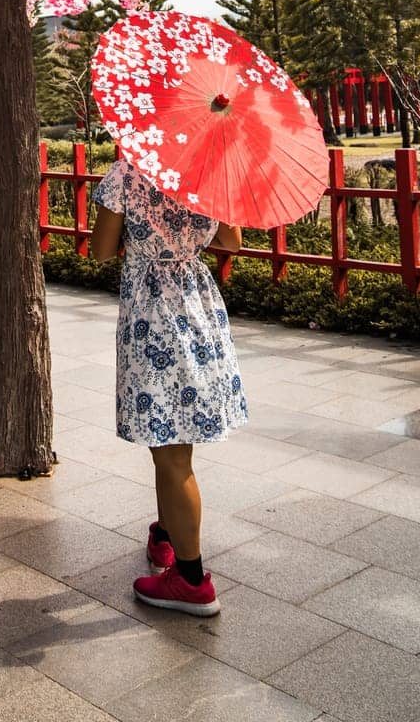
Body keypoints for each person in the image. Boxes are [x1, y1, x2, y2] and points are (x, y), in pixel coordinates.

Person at [89, 153, 248, 615]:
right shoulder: (207, 170)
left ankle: (193, 579)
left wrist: (141, 235)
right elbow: (232, 241)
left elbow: (100, 250)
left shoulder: (126, 174)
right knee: (174, 438)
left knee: (172, 451)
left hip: (153, 317)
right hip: (198, 308)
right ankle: (166, 532)